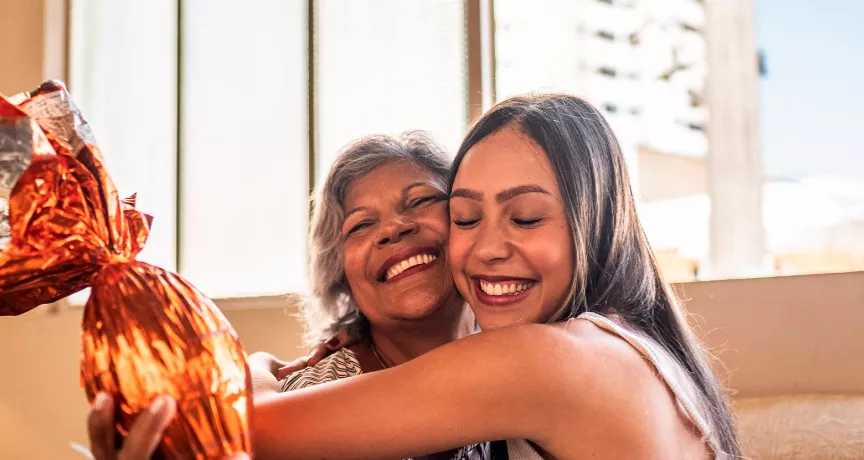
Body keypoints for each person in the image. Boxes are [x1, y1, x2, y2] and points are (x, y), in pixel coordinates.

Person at [92, 94, 742, 459]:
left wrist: (256, 367)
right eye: (466, 217)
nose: (488, 248)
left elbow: (230, 427)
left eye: (525, 217)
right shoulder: (625, 348)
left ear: (594, 222)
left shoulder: (546, 361)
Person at [86, 132, 484, 460]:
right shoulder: (308, 392)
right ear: (341, 277)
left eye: (419, 201)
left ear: (469, 219)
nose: (393, 229)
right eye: (360, 225)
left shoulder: (525, 341)